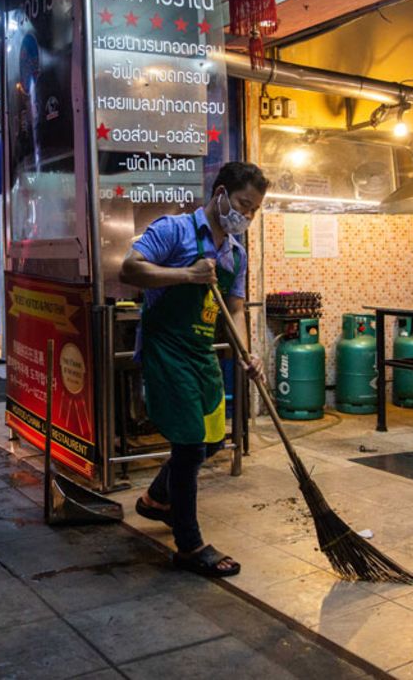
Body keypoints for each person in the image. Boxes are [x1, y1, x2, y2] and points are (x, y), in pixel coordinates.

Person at [120, 161, 267, 578]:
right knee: (188, 446)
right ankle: (190, 544)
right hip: (167, 351)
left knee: (213, 441)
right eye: (243, 204)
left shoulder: (235, 254)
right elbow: (130, 268)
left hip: (203, 354)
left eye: (255, 210)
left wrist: (246, 351)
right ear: (220, 193)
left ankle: (155, 500)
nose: (247, 215)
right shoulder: (175, 230)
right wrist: (185, 274)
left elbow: (235, 309)